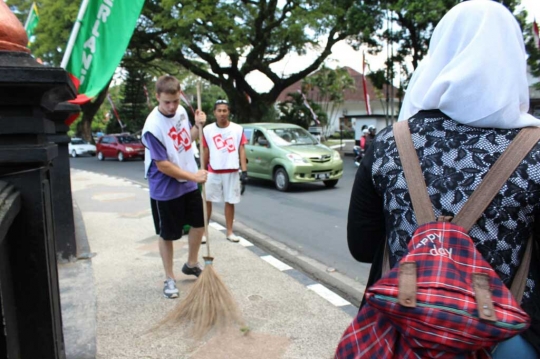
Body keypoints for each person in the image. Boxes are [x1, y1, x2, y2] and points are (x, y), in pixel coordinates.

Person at [347, 0, 540, 356]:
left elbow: (361, 247)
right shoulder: (536, 150)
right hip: (506, 343)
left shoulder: (390, 143)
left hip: (405, 336)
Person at [141, 75, 208, 299]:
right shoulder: (152, 127)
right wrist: (194, 177)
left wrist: (199, 126)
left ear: (180, 95)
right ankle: (169, 278)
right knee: (168, 234)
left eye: (175, 101)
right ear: (157, 97)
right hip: (166, 185)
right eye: (166, 102)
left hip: (187, 177)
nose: (171, 107)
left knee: (200, 224)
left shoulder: (180, 112)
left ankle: (191, 263)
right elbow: (163, 165)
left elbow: (187, 139)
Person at [202, 99, 248, 243]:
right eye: (219, 111)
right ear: (214, 113)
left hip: (232, 170)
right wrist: (202, 169)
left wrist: (244, 171)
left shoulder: (237, 129)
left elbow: (241, 149)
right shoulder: (207, 130)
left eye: (225, 110)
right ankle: (204, 232)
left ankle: (229, 232)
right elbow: (205, 150)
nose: (222, 113)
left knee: (230, 201)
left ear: (229, 112)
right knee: (207, 200)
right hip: (213, 171)